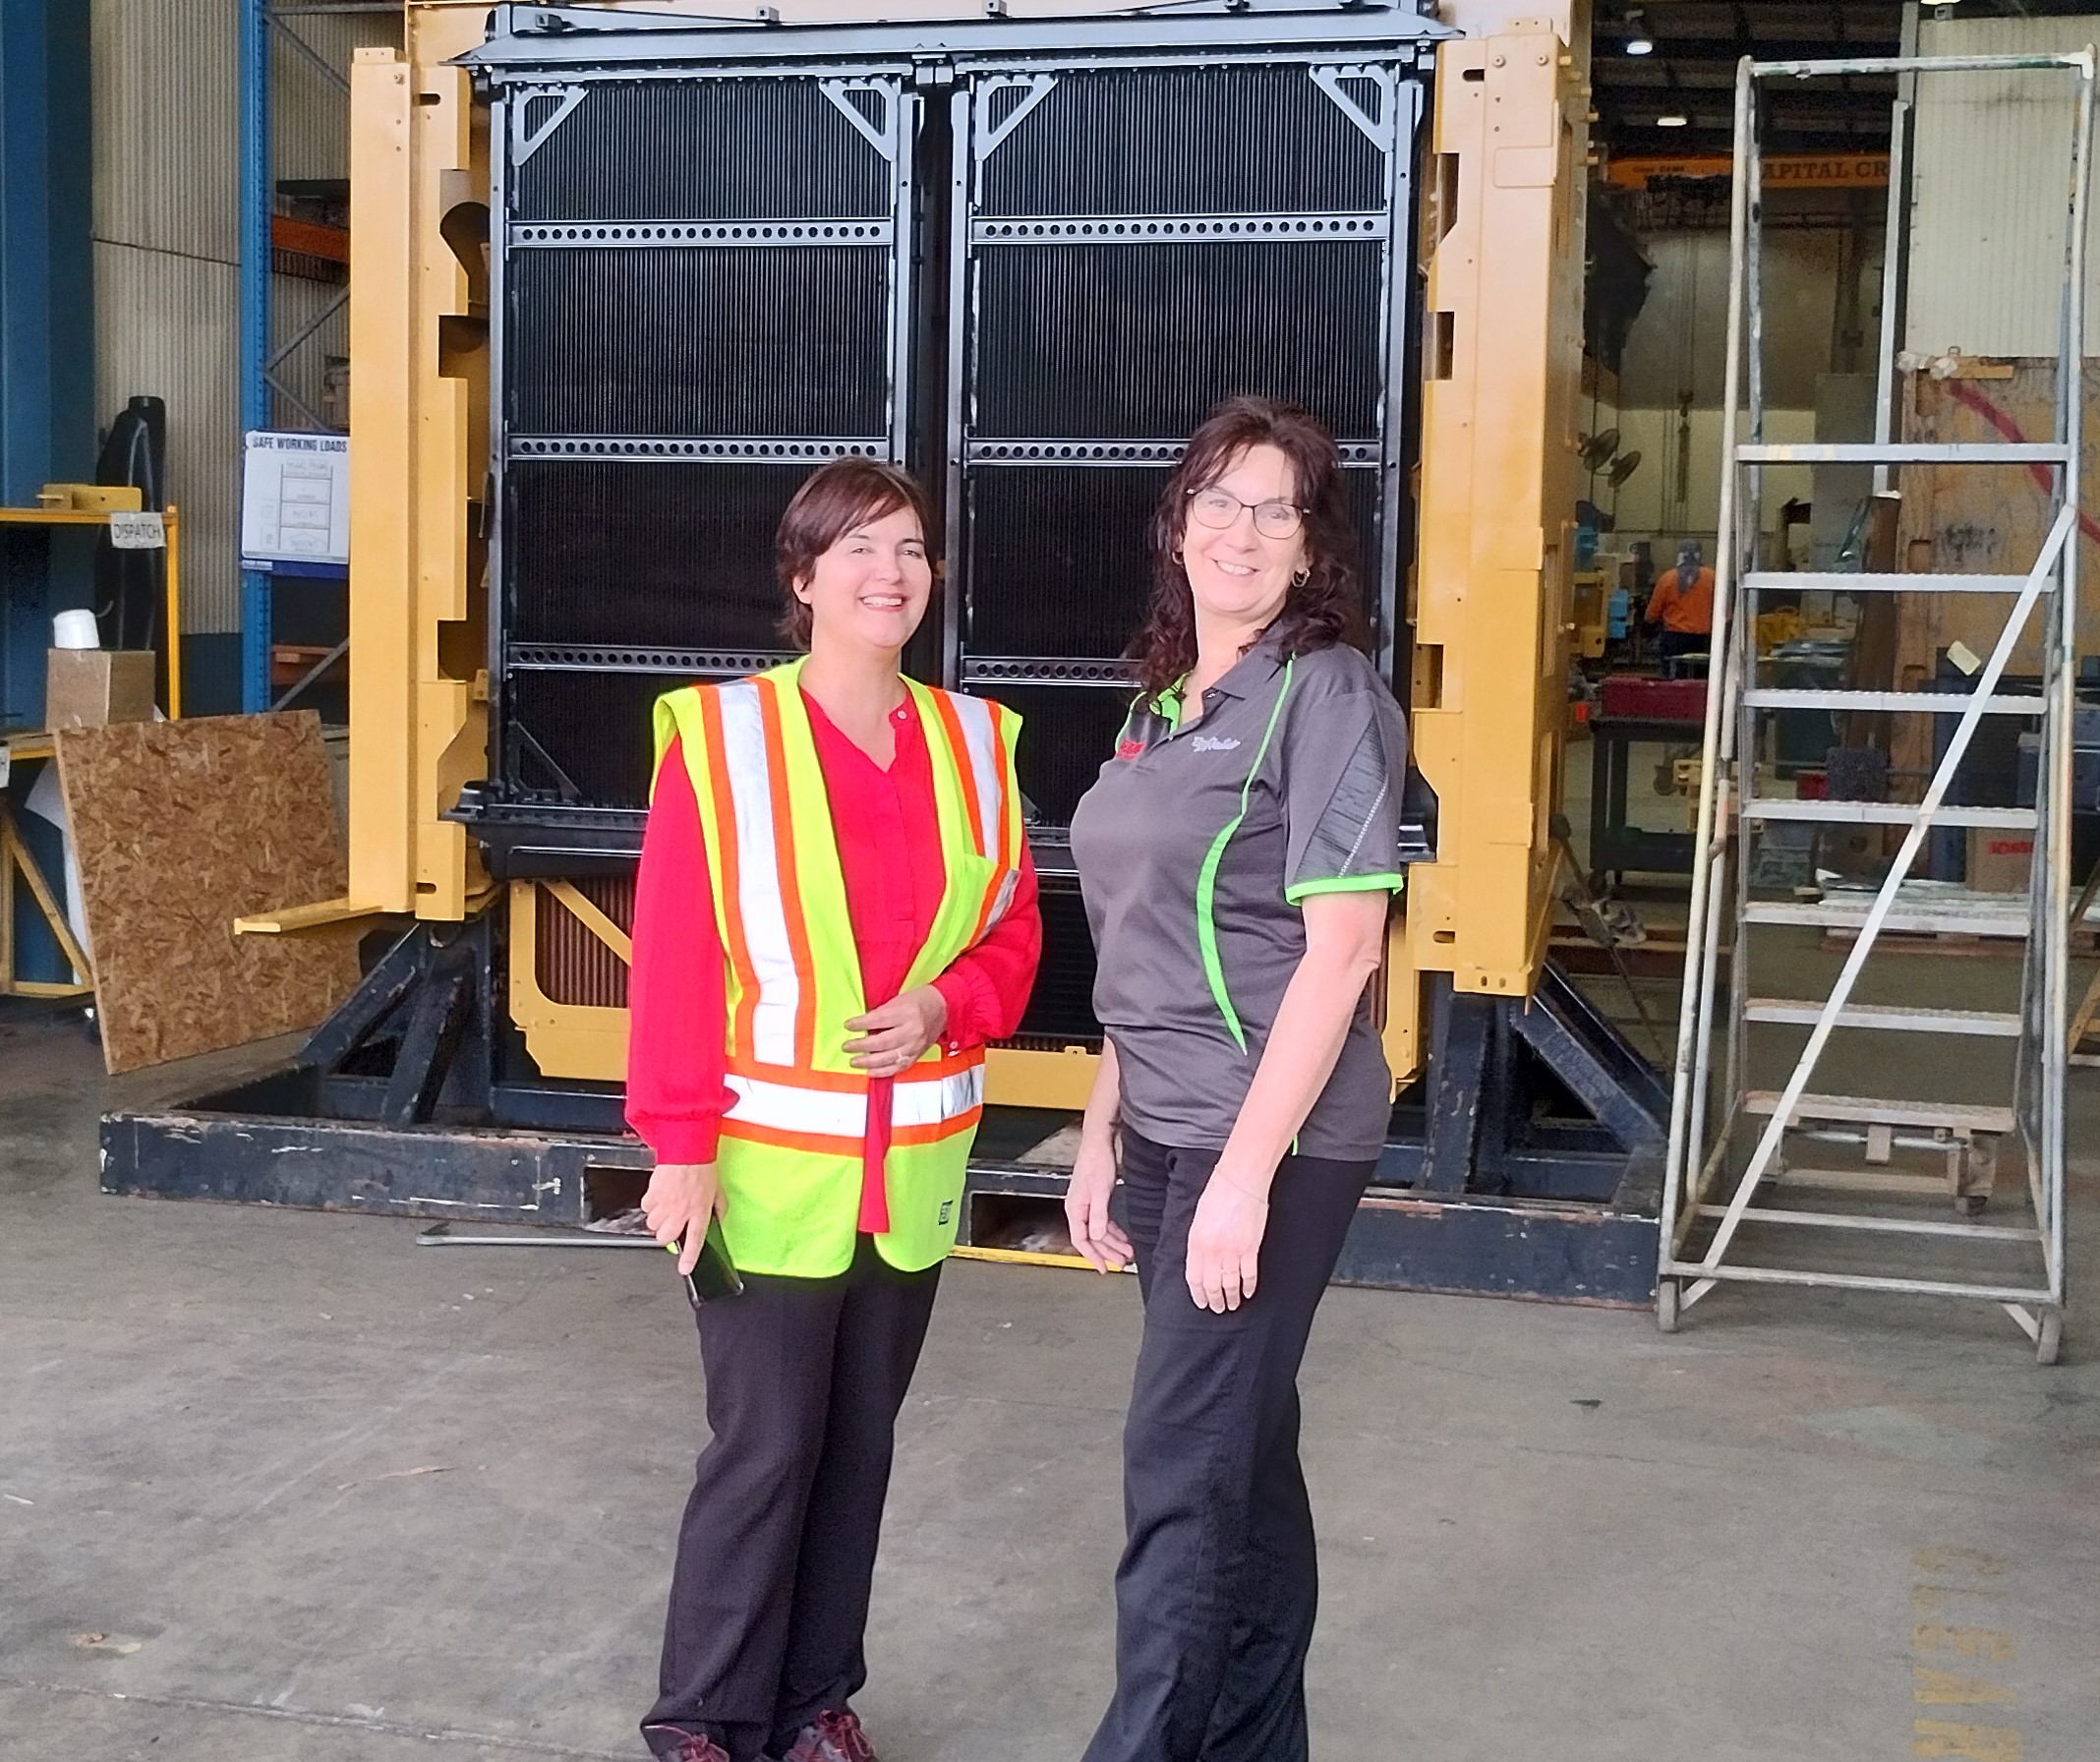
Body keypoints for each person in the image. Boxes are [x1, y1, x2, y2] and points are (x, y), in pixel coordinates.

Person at [627, 458, 1041, 1762]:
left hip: (909, 1172)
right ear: (802, 580)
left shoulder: (977, 743)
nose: (890, 572)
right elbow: (678, 956)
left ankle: (814, 1706)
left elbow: (1016, 932)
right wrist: (679, 1152)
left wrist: (943, 1007)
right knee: (761, 1455)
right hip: (764, 1170)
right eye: (857, 548)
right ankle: (703, 1717)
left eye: (911, 547)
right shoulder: (722, 739)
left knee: (858, 1451)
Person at [1064, 396, 1412, 1762]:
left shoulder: (1325, 694)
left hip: (1269, 1141)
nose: (1243, 531)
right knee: (1241, 1466)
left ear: (1315, 546)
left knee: (1180, 1477)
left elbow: (1340, 955)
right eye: (1219, 502)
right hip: (1162, 1132)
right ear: (1178, 529)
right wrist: (1100, 1130)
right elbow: (1137, 939)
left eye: (1278, 508)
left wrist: (1241, 1184)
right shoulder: (1162, 704)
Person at [1645, 538, 1716, 664]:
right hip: (1704, 641)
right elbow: (1726, 615)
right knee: (1700, 680)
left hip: (1674, 641)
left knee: (1673, 679)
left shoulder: (1667, 579)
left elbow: (1651, 616)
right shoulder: (1713, 578)